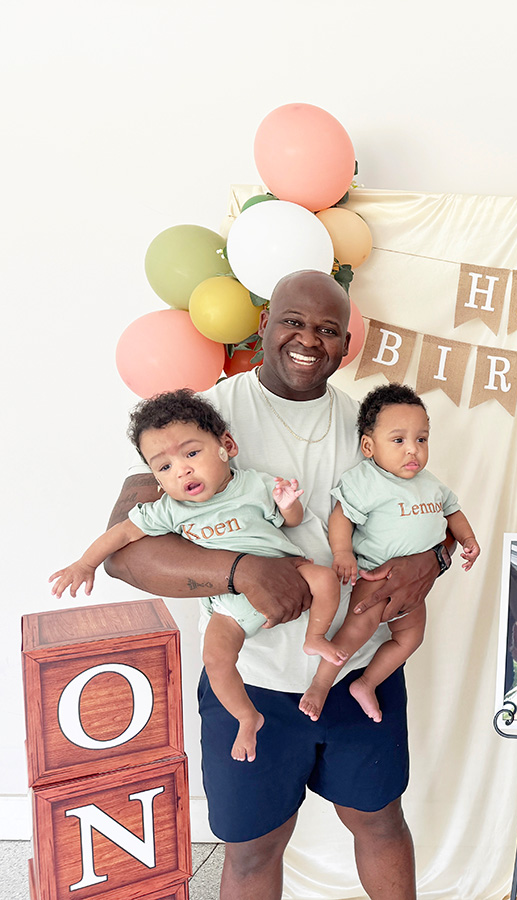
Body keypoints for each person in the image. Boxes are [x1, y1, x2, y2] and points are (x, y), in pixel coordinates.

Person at [103, 270, 446, 900]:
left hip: (355, 668)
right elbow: (124, 553)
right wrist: (240, 570)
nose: (308, 339)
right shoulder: (205, 414)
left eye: (327, 329)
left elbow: (425, 513)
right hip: (251, 678)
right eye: (292, 321)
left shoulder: (368, 424)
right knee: (253, 849)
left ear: (346, 344)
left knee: (379, 822)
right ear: (264, 325)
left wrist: (435, 559)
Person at [50, 389, 344, 763]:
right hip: (228, 606)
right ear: (156, 478)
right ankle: (246, 717)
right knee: (216, 659)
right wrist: (85, 564)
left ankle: (315, 636)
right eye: (164, 467)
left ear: (227, 446)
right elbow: (121, 534)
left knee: (325, 579)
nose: (182, 470)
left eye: (191, 454)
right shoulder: (169, 510)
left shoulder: (253, 484)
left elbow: (291, 521)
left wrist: (288, 505)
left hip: (288, 571)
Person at [300, 382, 480, 723]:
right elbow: (342, 516)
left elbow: (452, 511)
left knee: (411, 636)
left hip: (415, 586)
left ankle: (366, 683)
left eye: (421, 439)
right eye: (399, 440)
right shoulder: (366, 480)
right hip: (375, 576)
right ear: (369, 446)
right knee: (356, 631)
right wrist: (343, 553)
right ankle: (320, 685)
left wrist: (468, 539)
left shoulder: (431, 483)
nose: (413, 450)